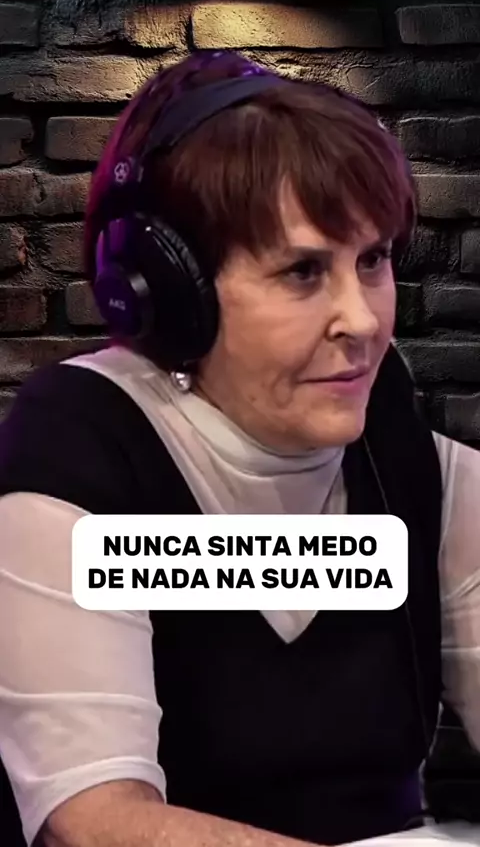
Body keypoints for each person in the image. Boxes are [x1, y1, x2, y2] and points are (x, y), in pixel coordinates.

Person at [0, 49, 479, 847]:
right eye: (302, 272)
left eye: (372, 260)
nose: (363, 322)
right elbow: (96, 821)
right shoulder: (79, 449)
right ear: (168, 291)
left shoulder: (419, 465)